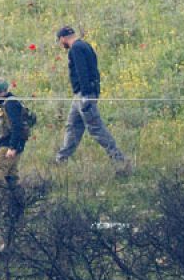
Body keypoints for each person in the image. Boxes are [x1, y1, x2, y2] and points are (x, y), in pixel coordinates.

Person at [52, 26, 129, 173]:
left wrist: (87, 95)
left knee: (96, 129)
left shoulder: (75, 49)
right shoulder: (85, 45)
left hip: (84, 95)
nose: (61, 45)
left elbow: (83, 72)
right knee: (72, 126)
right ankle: (61, 159)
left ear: (63, 38)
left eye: (60, 41)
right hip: (81, 95)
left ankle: (119, 159)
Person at [0, 77, 31, 191]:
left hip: (9, 146)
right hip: (8, 146)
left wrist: (12, 147)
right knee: (10, 177)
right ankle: (15, 203)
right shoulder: (7, 103)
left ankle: (1, 202)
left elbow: (17, 126)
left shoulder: (11, 104)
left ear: (1, 92)